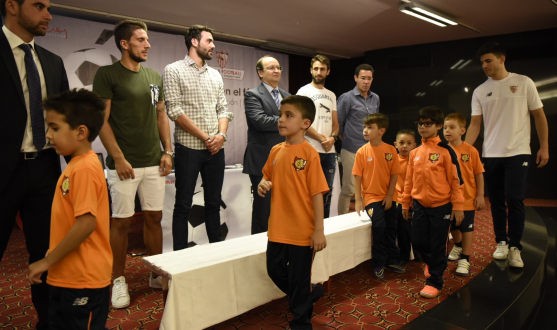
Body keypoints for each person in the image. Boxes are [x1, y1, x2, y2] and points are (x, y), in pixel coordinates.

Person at [93, 20, 172, 308]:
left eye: (147, 39)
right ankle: (118, 280)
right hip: (123, 165)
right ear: (125, 44)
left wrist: (168, 151)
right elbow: (101, 120)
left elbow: (161, 115)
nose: (147, 44)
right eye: (141, 40)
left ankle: (156, 272)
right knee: (122, 223)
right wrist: (118, 157)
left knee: (154, 218)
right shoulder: (107, 74)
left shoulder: (153, 76)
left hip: (154, 161)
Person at [0, 0, 69, 327]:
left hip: (44, 170)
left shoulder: (53, 63)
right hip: (3, 172)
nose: (49, 15)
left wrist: (78, 169)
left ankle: (49, 323)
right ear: (12, 6)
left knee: (46, 258)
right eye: (39, 6)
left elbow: (68, 121)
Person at [27, 89, 111, 330]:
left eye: (54, 128)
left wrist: (45, 261)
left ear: (81, 132)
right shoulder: (75, 165)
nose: (48, 135)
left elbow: (86, 224)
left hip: (84, 279)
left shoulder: (84, 169)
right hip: (66, 275)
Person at [465, 42, 549, 268]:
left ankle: (515, 247)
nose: (484, 65)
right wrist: (460, 150)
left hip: (518, 151)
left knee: (515, 198)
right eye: (482, 62)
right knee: (497, 202)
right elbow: (474, 124)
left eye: (488, 60)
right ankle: (501, 241)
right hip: (491, 154)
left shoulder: (523, 82)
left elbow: (539, 116)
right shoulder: (480, 90)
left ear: (502, 59)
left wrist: (544, 146)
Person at [258, 95, 328, 329]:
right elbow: (266, 175)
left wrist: (319, 230)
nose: (281, 120)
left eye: (289, 115)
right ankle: (308, 293)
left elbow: (317, 194)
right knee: (274, 270)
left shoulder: (310, 154)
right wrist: (263, 183)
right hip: (277, 228)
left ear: (305, 124)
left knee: (299, 278)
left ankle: (301, 320)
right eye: (280, 115)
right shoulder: (276, 150)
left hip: (303, 232)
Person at [163, 25, 233, 249]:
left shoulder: (215, 74)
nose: (213, 46)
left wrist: (221, 135)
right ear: (194, 42)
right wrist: (206, 137)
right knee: (183, 205)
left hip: (215, 149)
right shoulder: (173, 70)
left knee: (213, 204)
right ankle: (180, 261)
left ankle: (215, 256)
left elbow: (223, 109)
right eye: (209, 41)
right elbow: (174, 110)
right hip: (189, 149)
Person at [402, 106, 464, 299]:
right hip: (420, 205)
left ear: (438, 126)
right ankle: (433, 262)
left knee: (438, 244)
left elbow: (456, 180)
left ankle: (435, 281)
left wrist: (458, 206)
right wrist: (406, 202)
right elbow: (408, 180)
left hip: (442, 206)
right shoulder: (415, 152)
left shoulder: (446, 151)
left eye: (428, 123)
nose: (423, 127)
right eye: (420, 123)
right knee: (417, 240)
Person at [353, 113, 402, 279]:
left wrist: (389, 196)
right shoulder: (361, 152)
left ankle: (392, 259)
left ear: (381, 130)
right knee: (379, 226)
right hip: (371, 198)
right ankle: (379, 262)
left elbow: (394, 174)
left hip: (390, 197)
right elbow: (357, 177)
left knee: (391, 227)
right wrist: (358, 200)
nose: (365, 130)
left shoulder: (390, 150)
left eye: (370, 127)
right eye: (365, 127)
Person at [244, 55, 290, 234]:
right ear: (260, 73)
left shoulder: (288, 96)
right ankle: (259, 248)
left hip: (286, 159)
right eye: (271, 68)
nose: (276, 70)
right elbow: (260, 121)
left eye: (278, 67)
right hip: (262, 160)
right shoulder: (253, 94)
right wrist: (288, 120)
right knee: (264, 210)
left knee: (284, 207)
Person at [296, 54, 338, 218]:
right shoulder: (303, 91)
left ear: (328, 71)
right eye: (316, 69)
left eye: (322, 69)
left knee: (326, 193)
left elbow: (336, 123)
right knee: (308, 193)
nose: (319, 72)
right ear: (311, 71)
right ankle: (306, 229)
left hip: (329, 152)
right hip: (310, 149)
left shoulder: (332, 95)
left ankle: (324, 227)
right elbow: (301, 121)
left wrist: (332, 138)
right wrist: (322, 139)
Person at [444, 113, 485, 276]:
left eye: (452, 127)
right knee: (453, 227)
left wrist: (480, 195)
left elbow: (479, 174)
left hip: (467, 199)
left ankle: (465, 259)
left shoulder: (471, 150)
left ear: (462, 130)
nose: (447, 131)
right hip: (447, 200)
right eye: (445, 127)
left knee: (466, 228)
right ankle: (458, 245)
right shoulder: (442, 150)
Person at [337, 64, 379, 215]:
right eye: (363, 78)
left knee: (367, 188)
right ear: (356, 78)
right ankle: (342, 221)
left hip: (370, 150)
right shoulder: (346, 98)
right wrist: (347, 139)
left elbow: (376, 123)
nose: (366, 82)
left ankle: (363, 219)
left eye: (369, 79)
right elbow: (339, 124)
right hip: (351, 148)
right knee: (348, 189)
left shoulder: (376, 98)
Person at [393, 129, 417, 266]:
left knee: (419, 229)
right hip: (399, 200)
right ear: (395, 144)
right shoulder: (393, 160)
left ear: (414, 144)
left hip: (416, 200)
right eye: (401, 143)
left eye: (409, 143)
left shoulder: (418, 160)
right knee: (403, 228)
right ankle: (404, 254)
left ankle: (419, 252)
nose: (404, 146)